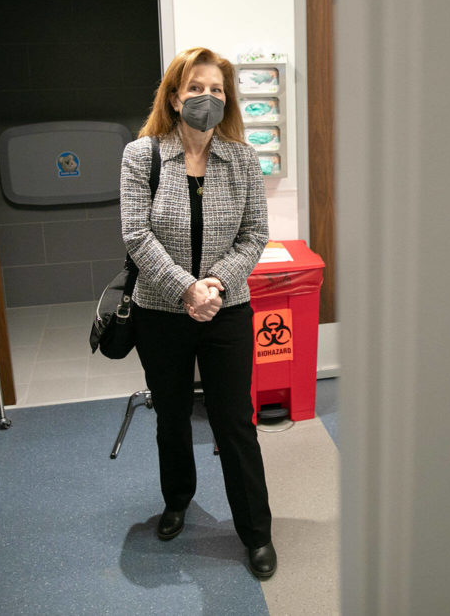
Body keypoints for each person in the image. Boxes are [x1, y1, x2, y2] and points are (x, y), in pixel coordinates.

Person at [120, 47, 276, 579]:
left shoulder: (242, 159)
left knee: (235, 421)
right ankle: (178, 500)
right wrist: (187, 289)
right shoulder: (141, 155)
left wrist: (217, 282)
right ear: (173, 96)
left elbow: (255, 234)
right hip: (160, 312)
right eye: (195, 89)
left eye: (216, 90)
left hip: (228, 309)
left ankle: (255, 531)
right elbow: (135, 235)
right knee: (171, 414)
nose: (206, 99)